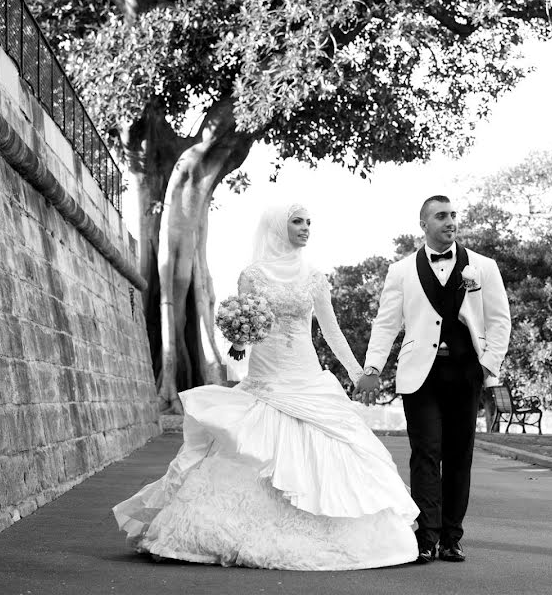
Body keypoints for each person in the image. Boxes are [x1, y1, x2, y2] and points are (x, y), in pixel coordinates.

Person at [113, 203, 419, 570]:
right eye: (297, 222)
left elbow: (331, 330)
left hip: (306, 375)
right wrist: (239, 340)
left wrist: (357, 373)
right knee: (254, 444)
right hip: (266, 375)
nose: (306, 228)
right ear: (278, 227)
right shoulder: (252, 275)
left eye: (309, 222)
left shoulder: (315, 277)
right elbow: (242, 332)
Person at [355, 195, 511, 564]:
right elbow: (387, 323)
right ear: (423, 224)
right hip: (419, 376)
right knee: (426, 455)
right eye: (441, 216)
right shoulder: (401, 271)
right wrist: (373, 367)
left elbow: (499, 320)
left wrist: (489, 365)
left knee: (459, 456)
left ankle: (452, 538)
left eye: (454, 215)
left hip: (465, 373)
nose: (450, 221)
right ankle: (426, 537)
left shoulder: (484, 267)